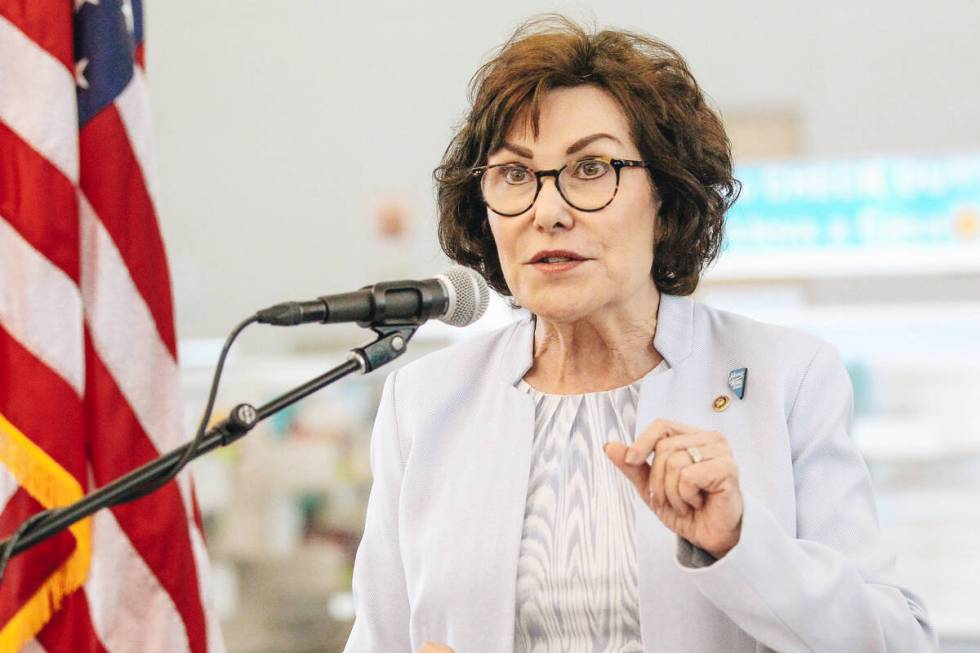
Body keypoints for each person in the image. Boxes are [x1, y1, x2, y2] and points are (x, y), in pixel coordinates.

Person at [343, 15, 938, 653]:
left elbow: (899, 641)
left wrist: (739, 542)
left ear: (666, 196)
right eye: (515, 175)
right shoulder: (425, 402)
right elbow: (379, 638)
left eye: (592, 168)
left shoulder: (786, 377)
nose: (548, 212)